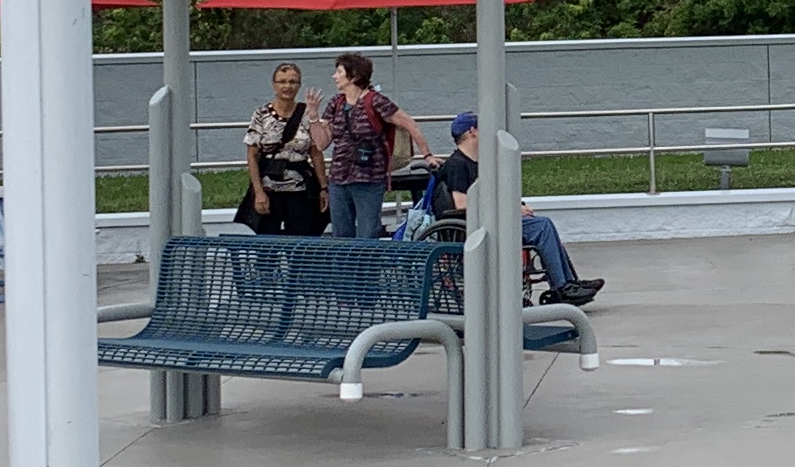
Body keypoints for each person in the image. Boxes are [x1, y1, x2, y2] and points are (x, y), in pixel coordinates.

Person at [425, 111, 600, 303]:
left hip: (490, 221)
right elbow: (462, 203)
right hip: (476, 227)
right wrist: (510, 210)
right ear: (473, 131)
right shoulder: (457, 165)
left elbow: (489, 196)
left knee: (542, 225)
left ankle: (569, 282)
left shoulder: (477, 163)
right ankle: (562, 286)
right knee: (542, 227)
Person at [315, 52, 425, 243]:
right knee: (340, 235)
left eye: (339, 72)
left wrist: (427, 154)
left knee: (367, 233)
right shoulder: (336, 103)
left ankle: (366, 263)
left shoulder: (376, 101)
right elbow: (321, 143)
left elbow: (410, 124)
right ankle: (345, 264)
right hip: (339, 177)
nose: (334, 76)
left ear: (354, 76)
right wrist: (312, 115)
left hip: (369, 177)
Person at [233, 59, 326, 235]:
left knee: (301, 240)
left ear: (299, 85)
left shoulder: (307, 115)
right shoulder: (261, 114)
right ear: (274, 85)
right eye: (282, 81)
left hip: (300, 189)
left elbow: (316, 153)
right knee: (268, 242)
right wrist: (258, 192)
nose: (287, 86)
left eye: (292, 82)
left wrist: (323, 187)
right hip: (269, 188)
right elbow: (252, 155)